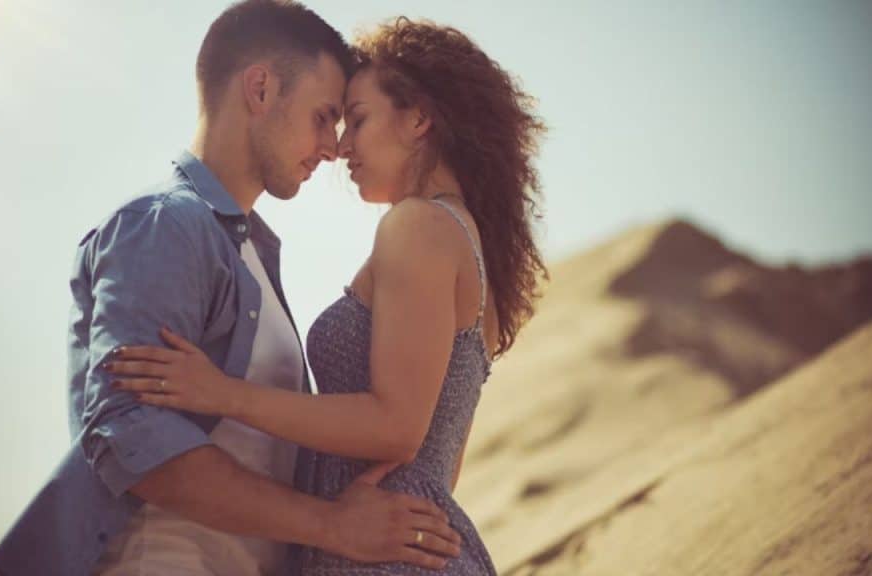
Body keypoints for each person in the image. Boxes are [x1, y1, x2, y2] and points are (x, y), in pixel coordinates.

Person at [0, 3, 461, 575]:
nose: (333, 148)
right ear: (260, 89)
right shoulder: (164, 226)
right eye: (322, 116)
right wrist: (330, 524)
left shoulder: (253, 254)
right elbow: (133, 441)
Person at [110, 16, 548, 575]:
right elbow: (438, 465)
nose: (340, 147)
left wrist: (223, 393)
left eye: (357, 119)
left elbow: (396, 431)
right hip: (402, 543)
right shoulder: (465, 244)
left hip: (377, 555)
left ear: (419, 118)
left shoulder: (417, 226)